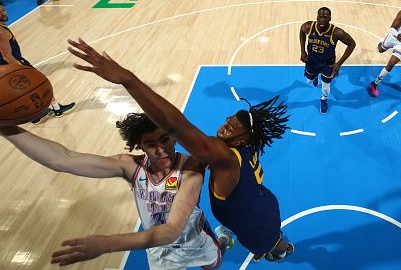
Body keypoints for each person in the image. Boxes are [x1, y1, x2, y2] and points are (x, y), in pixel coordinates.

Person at [66, 38, 295, 263]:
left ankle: (281, 250)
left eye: (233, 126)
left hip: (256, 224)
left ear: (244, 136)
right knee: (241, 240)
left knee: (270, 245)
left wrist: (128, 80)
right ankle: (257, 241)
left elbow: (175, 126)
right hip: (261, 202)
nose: (226, 124)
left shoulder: (223, 155)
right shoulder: (248, 143)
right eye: (229, 118)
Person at [0, 113, 233, 269]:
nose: (161, 150)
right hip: (156, 247)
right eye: (151, 144)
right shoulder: (130, 166)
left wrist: (105, 244)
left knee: (215, 261)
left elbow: (171, 230)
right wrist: (6, 127)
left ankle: (223, 239)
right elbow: (63, 159)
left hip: (193, 239)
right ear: (140, 146)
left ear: (173, 138)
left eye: (165, 141)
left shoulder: (191, 167)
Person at [0, 1, 75, 122]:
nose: (3, 13)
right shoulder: (1, 31)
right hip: (14, 63)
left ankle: (34, 117)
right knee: (39, 82)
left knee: (21, 92)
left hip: (5, 68)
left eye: (3, 9)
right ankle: (57, 108)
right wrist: (21, 70)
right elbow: (7, 56)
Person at [299, 7, 356, 114]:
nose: (322, 19)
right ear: (317, 17)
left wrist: (339, 63)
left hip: (327, 64)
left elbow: (352, 44)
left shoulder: (337, 32)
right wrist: (302, 51)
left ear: (330, 18)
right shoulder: (308, 26)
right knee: (309, 81)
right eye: (320, 17)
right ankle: (315, 76)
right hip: (311, 61)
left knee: (325, 87)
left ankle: (324, 100)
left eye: (325, 17)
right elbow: (301, 32)